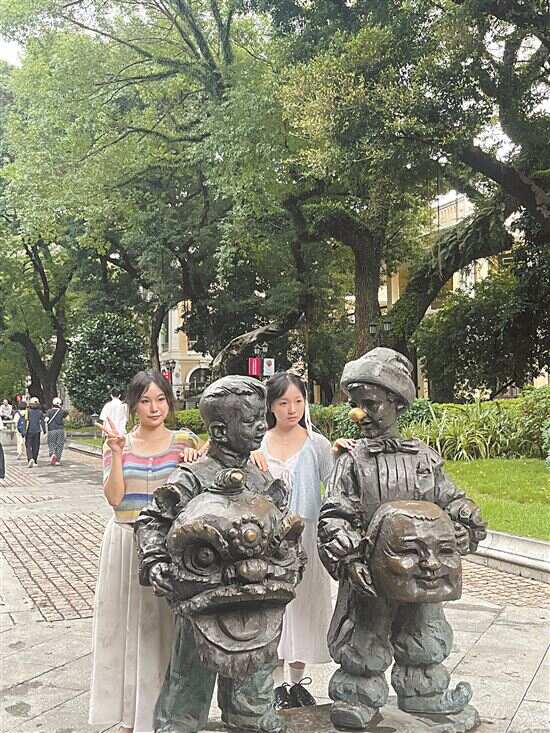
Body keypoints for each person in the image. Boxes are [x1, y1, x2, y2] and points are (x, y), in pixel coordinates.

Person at [317, 347, 487, 729]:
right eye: (355, 404)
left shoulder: (424, 459)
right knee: (364, 636)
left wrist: (464, 518)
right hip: (370, 572)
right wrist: (345, 549)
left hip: (421, 569)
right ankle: (358, 697)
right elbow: (335, 512)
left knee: (423, 630)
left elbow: (450, 498)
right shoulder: (352, 462)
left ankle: (425, 693)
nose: (358, 413)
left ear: (397, 403)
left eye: (370, 404)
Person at [134, 375, 288, 733]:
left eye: (262, 417)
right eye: (250, 421)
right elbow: (152, 520)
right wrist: (155, 559)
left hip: (255, 593)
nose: (262, 426)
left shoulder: (261, 480)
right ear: (219, 431)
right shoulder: (192, 478)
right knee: (192, 662)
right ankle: (181, 719)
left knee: (257, 658)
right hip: (205, 594)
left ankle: (250, 711)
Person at [88, 370, 202, 733]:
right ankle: (128, 716)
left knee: (166, 631)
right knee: (125, 629)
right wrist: (116, 453)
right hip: (127, 542)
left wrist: (197, 459)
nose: (154, 408)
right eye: (146, 400)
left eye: (161, 399)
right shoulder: (118, 444)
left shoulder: (185, 441)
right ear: (134, 405)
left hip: (171, 546)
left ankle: (165, 714)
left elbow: (212, 478)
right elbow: (115, 499)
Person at [250, 372, 333, 709]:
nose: (292, 409)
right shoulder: (258, 444)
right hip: (267, 540)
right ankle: (274, 685)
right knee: (273, 609)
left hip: (306, 537)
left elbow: (336, 482)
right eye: (284, 402)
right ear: (271, 406)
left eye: (298, 401)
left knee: (304, 607)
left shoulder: (317, 444)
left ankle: (296, 684)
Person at [46, 397, 69, 465]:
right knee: (59, 444)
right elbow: (67, 418)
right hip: (60, 430)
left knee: (51, 443)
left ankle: (52, 454)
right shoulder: (62, 411)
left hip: (51, 430)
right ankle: (57, 460)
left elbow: (46, 420)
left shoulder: (49, 411)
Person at [25, 397, 46, 467]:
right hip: (37, 431)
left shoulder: (28, 411)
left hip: (29, 430)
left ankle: (30, 458)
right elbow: (42, 422)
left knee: (28, 445)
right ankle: (35, 460)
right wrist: (44, 430)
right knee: (36, 446)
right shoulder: (40, 412)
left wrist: (23, 431)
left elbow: (25, 421)